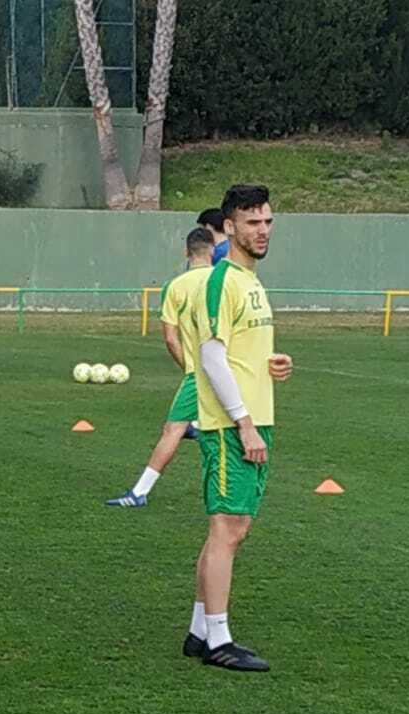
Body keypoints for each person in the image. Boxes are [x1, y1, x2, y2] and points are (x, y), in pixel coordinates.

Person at [182, 183, 294, 672]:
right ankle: (218, 640)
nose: (263, 230)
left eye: (267, 221)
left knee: (232, 529)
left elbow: (237, 352)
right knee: (227, 528)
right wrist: (244, 424)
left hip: (255, 418)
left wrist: (271, 364)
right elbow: (211, 356)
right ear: (229, 227)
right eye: (252, 222)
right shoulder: (221, 281)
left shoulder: (252, 282)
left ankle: (199, 631)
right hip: (231, 425)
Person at [106, 225, 214, 508]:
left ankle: (139, 493)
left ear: (186, 253)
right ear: (213, 251)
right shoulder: (225, 282)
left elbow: (170, 338)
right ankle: (198, 426)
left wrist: (189, 367)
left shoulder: (175, 287)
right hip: (231, 370)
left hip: (201, 373)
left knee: (172, 429)